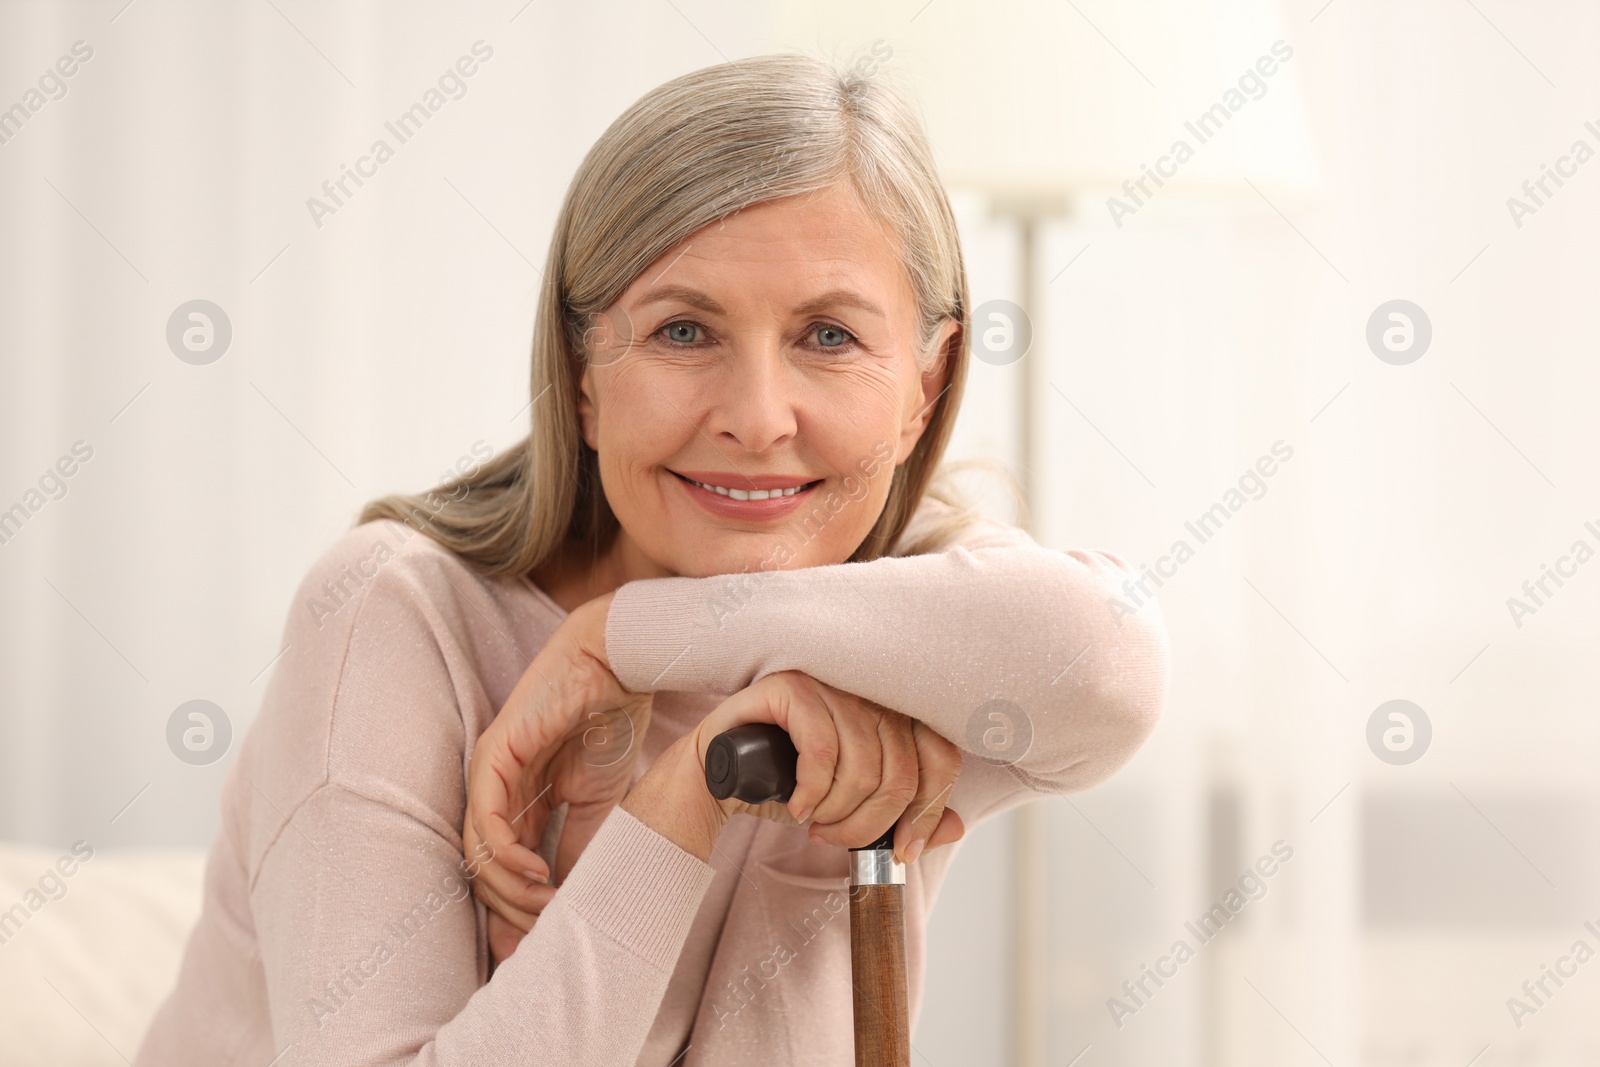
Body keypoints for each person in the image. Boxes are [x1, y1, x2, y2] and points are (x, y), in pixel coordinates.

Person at [135, 52, 1168, 1066]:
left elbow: (1110, 656)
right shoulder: (395, 612)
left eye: (829, 336)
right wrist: (691, 790)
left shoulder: (916, 625)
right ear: (583, 377)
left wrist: (627, 640)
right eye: (683, 330)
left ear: (926, 391)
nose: (758, 419)